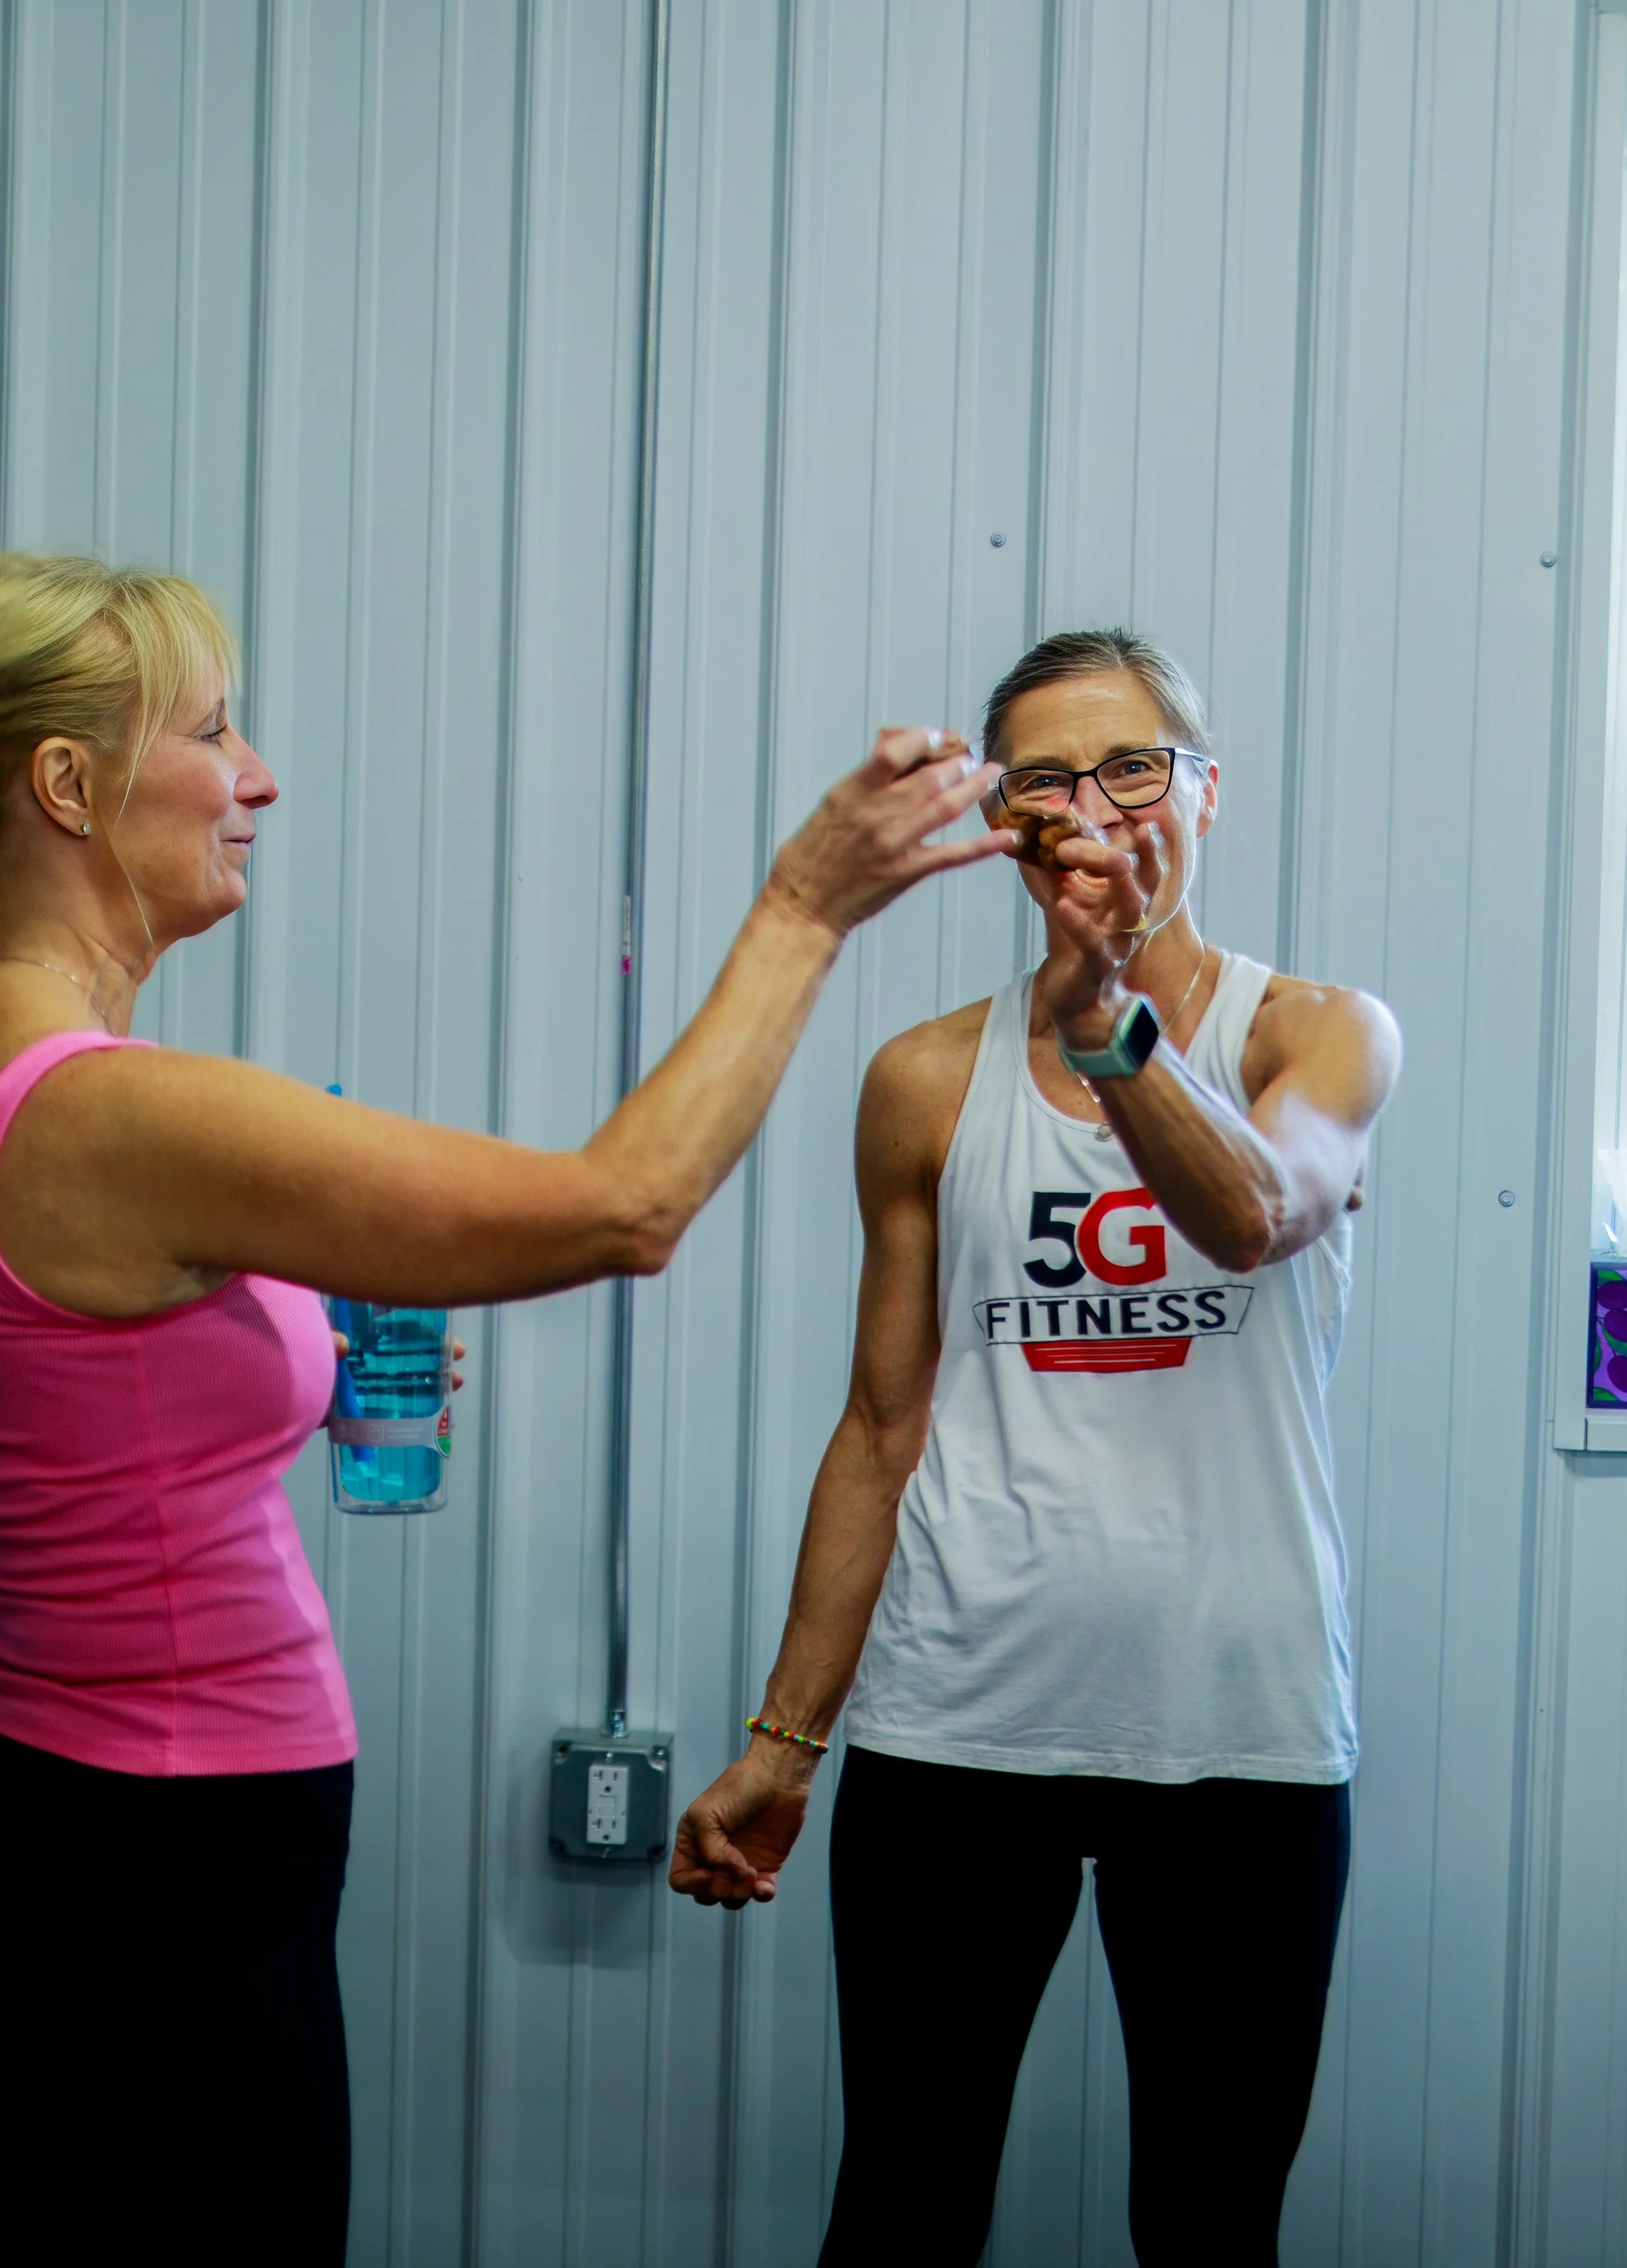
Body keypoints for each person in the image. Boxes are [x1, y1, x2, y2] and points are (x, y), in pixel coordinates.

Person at [0, 545, 1012, 2268]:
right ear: (69, 785)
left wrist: (222, 1395)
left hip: (31, 1823)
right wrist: (802, 911)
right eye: (217, 729)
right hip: (174, 1864)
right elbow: (626, 1205)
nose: (257, 778)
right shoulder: (118, 1113)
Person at [670, 627, 1402, 2268]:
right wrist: (787, 1738)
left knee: (1209, 2222)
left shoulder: (1316, 1034)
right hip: (958, 1727)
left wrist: (1107, 1035)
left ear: (1202, 792)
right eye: (1043, 781)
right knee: (903, 2207)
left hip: (1237, 1730)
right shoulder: (922, 1079)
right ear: (1000, 827)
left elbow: (1253, 1216)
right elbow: (878, 1426)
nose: (1092, 807)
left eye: (1131, 765)